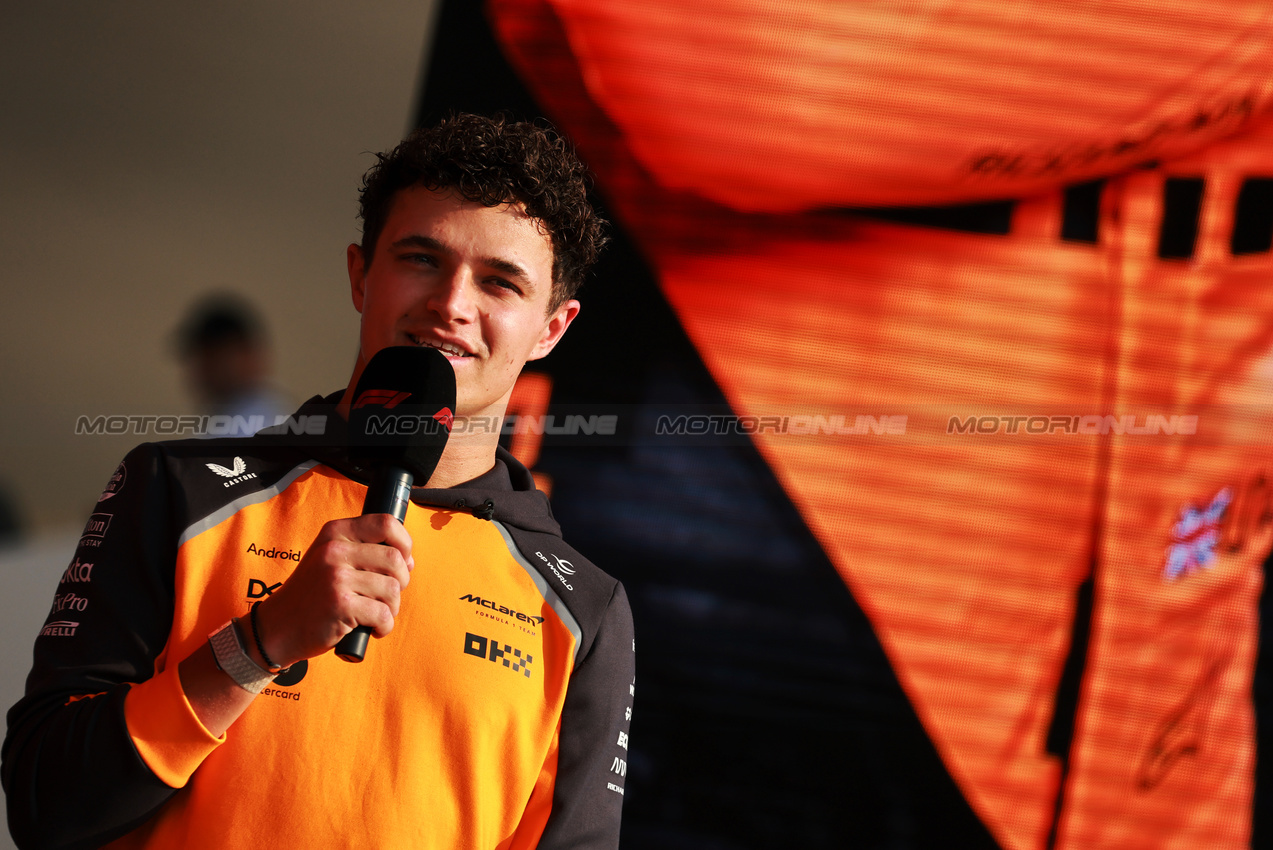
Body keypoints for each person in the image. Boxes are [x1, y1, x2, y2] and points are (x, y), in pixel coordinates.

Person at [2, 113, 634, 850]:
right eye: (421, 259)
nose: (451, 304)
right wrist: (259, 643)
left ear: (551, 329)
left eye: (499, 282)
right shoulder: (179, 490)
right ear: (360, 275)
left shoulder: (583, 608)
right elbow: (45, 804)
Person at [173, 292, 294, 437]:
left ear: (247, 353)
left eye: (212, 356)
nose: (200, 370)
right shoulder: (235, 415)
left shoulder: (255, 422)